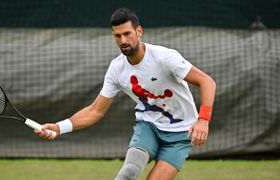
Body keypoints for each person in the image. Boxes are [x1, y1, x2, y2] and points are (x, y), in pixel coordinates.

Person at [35, 8, 216, 180]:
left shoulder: (165, 57)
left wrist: (203, 120)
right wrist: (59, 127)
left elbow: (207, 81)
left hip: (181, 133)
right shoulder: (116, 69)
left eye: (127, 34)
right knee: (128, 173)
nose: (123, 41)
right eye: (117, 36)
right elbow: (95, 111)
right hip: (149, 127)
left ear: (139, 31)